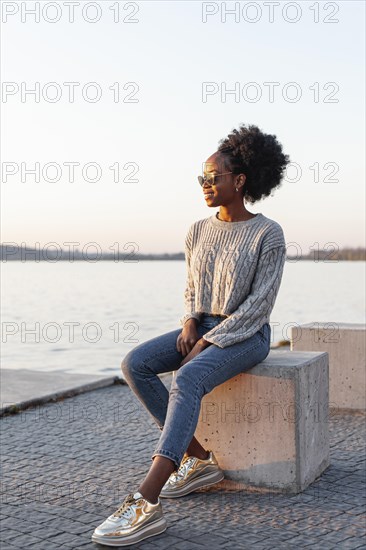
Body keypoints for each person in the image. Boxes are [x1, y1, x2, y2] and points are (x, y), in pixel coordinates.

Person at [92, 123, 289, 546]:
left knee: (187, 378)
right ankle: (198, 460)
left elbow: (258, 306)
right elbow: (192, 288)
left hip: (246, 334)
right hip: (201, 325)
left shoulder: (268, 234)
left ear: (240, 180)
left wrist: (206, 341)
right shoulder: (198, 230)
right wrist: (188, 322)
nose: (204, 184)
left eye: (212, 177)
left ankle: (146, 500)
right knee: (136, 364)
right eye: (201, 178)